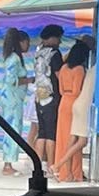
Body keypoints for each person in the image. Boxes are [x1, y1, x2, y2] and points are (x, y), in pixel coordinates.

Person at [55, 33, 93, 182]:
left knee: (62, 138)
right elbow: (77, 91)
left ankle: (63, 172)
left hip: (63, 102)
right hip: (74, 103)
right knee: (75, 138)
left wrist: (67, 93)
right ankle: (74, 172)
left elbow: (60, 90)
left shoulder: (63, 67)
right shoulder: (79, 70)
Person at [0, 27, 31, 174]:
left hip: (13, 99)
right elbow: (11, 80)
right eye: (27, 42)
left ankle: (9, 162)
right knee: (13, 130)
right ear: (21, 42)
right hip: (12, 99)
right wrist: (29, 80)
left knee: (13, 129)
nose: (28, 45)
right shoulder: (14, 59)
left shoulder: (14, 58)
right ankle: (7, 165)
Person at [31, 22, 64, 165]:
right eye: (58, 38)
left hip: (39, 96)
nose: (60, 41)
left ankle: (38, 165)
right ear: (52, 37)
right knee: (51, 133)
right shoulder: (54, 54)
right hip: (52, 97)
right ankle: (51, 165)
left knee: (42, 132)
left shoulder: (38, 53)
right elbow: (59, 75)